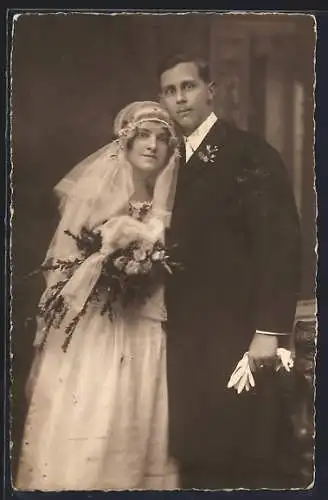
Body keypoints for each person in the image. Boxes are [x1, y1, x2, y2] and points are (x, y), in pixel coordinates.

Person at [15, 101, 180, 491]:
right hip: (100, 326)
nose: (152, 146)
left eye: (161, 139)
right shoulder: (100, 189)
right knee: (96, 409)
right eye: (143, 135)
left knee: (139, 412)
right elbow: (66, 260)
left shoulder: (170, 199)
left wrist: (145, 265)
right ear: (125, 141)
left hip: (148, 323)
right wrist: (110, 268)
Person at [159, 53, 302, 489]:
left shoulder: (248, 153)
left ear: (211, 92)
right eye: (170, 91)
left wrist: (269, 330)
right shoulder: (165, 161)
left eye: (189, 87)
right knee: (193, 451)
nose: (180, 99)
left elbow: (280, 245)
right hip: (180, 332)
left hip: (236, 328)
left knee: (238, 450)